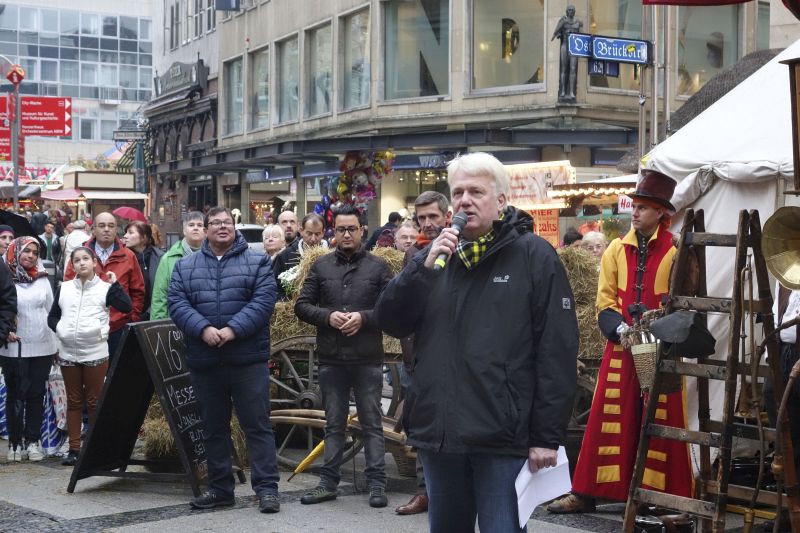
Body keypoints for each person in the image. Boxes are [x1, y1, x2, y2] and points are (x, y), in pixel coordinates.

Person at [376, 152, 578, 532]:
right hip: (441, 434)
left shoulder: (534, 256)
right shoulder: (433, 257)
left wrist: (546, 436)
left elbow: (557, 349)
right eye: (458, 193)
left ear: (500, 201)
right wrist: (421, 270)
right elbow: (390, 320)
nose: (465, 201)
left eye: (476, 192)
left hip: (500, 435)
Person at [548, 170, 693, 513]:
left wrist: (658, 327)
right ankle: (587, 491)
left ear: (660, 212)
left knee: (662, 418)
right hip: (622, 347)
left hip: (661, 347)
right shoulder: (615, 249)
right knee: (609, 417)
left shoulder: (676, 250)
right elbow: (606, 301)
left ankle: (660, 494)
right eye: (635, 206)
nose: (634, 212)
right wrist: (622, 331)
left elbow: (684, 300)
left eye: (642, 207)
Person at [168, 207, 281, 514]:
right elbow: (176, 303)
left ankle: (267, 490)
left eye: (227, 223)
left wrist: (232, 330)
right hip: (206, 360)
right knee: (213, 428)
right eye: (215, 223)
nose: (222, 227)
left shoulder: (257, 261)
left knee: (257, 425)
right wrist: (203, 329)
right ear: (205, 229)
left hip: (247, 359)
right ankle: (220, 490)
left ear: (234, 227)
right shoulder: (185, 266)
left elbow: (264, 301)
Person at [295, 204, 393, 508]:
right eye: (341, 229)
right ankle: (328, 483)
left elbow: (391, 309)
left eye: (352, 229)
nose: (347, 234)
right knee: (334, 424)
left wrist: (364, 317)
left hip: (367, 358)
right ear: (333, 233)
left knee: (372, 424)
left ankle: (377, 484)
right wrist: (328, 316)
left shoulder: (379, 267)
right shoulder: (321, 266)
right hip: (332, 358)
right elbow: (302, 305)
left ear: (362, 230)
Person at [48, 246, 132, 466]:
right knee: (74, 401)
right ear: (73, 265)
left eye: (86, 258)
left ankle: (97, 450)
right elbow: (52, 317)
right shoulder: (64, 288)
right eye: (77, 260)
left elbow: (126, 307)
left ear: (95, 262)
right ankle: (74, 449)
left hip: (95, 351)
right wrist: (61, 330)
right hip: (68, 352)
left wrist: (116, 285)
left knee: (95, 401)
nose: (81, 263)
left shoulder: (105, 288)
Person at [1, 237, 58, 462]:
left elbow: (51, 310)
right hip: (14, 345)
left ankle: (33, 441)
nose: (31, 256)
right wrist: (3, 330)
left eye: (35, 252)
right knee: (15, 395)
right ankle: (15, 443)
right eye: (26, 251)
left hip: (42, 344)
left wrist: (57, 344)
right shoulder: (5, 276)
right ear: (16, 252)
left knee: (36, 394)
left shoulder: (42, 278)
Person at [63, 212, 144, 362]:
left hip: (118, 328)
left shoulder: (128, 256)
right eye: (102, 226)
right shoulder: (80, 254)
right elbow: (67, 288)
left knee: (116, 372)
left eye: (111, 226)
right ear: (93, 229)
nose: (106, 229)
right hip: (86, 329)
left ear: (116, 230)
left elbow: (138, 291)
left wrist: (131, 318)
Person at [764, 281, 800, 532]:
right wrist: (772, 356)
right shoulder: (786, 272)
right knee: (785, 439)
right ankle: (790, 510)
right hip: (783, 353)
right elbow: (777, 313)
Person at [150, 212, 206, 321]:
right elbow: (160, 295)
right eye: (191, 225)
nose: (195, 228)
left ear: (206, 231)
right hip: (176, 322)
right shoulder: (168, 258)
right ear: (184, 230)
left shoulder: (213, 256)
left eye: (200, 225)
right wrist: (158, 324)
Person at [273, 213, 326, 300]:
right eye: (309, 233)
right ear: (301, 231)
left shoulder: (332, 255)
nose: (313, 239)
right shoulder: (285, 255)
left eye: (317, 234)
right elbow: (275, 287)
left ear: (323, 233)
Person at [123, 221, 165, 322]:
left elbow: (162, 290)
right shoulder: (122, 257)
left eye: (131, 232)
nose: (125, 236)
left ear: (144, 238)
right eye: (126, 232)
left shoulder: (160, 258)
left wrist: (149, 312)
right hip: (126, 316)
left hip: (152, 315)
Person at [551, 5, 583, 101]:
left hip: (574, 48)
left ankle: (572, 91)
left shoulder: (578, 22)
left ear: (574, 11)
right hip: (565, 45)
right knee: (564, 68)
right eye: (569, 10)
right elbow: (556, 32)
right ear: (566, 11)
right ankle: (563, 91)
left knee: (573, 68)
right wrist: (557, 34)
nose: (571, 11)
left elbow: (582, 35)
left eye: (572, 10)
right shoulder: (563, 21)